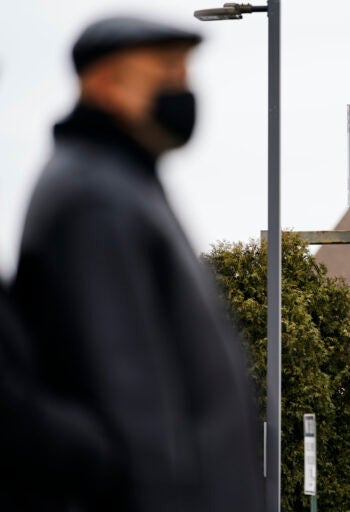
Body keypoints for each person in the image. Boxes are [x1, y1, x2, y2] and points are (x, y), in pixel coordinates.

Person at [12, 16, 263, 511]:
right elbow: (136, 411)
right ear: (106, 82)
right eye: (166, 71)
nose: (182, 89)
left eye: (185, 73)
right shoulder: (96, 199)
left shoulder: (122, 185)